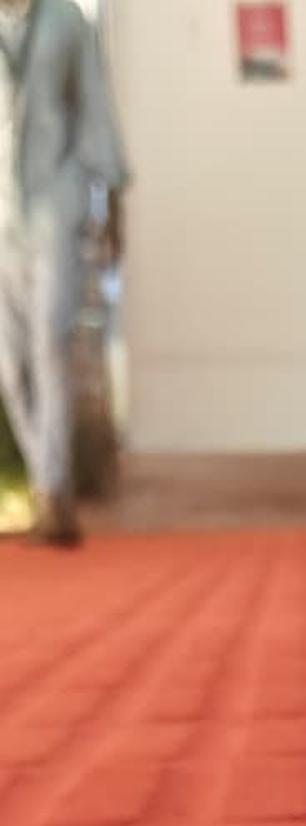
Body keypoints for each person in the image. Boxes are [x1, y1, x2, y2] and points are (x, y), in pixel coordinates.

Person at [0, 0, 128, 546]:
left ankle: (55, 492)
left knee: (51, 342)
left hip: (55, 198)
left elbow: (96, 106)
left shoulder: (67, 20)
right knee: (10, 363)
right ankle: (44, 474)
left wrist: (113, 200)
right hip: (1, 210)